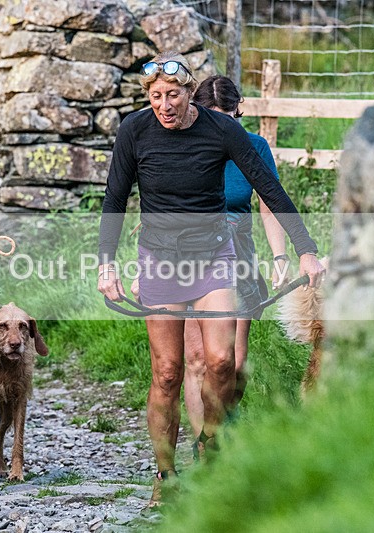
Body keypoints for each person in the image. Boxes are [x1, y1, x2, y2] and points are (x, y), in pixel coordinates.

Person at [97, 52, 325, 507]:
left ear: (189, 92)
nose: (165, 105)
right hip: (160, 261)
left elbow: (269, 188)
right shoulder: (134, 130)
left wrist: (306, 249)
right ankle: (165, 474)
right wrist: (107, 265)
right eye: (156, 96)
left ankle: (209, 443)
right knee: (167, 372)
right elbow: (115, 198)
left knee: (222, 362)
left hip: (214, 257)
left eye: (173, 95)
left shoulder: (222, 129)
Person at [182, 75, 290, 442]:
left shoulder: (254, 147)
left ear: (237, 113)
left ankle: (220, 427)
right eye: (212, 118)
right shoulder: (185, 147)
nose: (221, 128)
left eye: (227, 118)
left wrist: (280, 256)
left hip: (239, 255)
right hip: (192, 255)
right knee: (198, 360)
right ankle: (205, 453)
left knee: (235, 363)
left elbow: (269, 203)